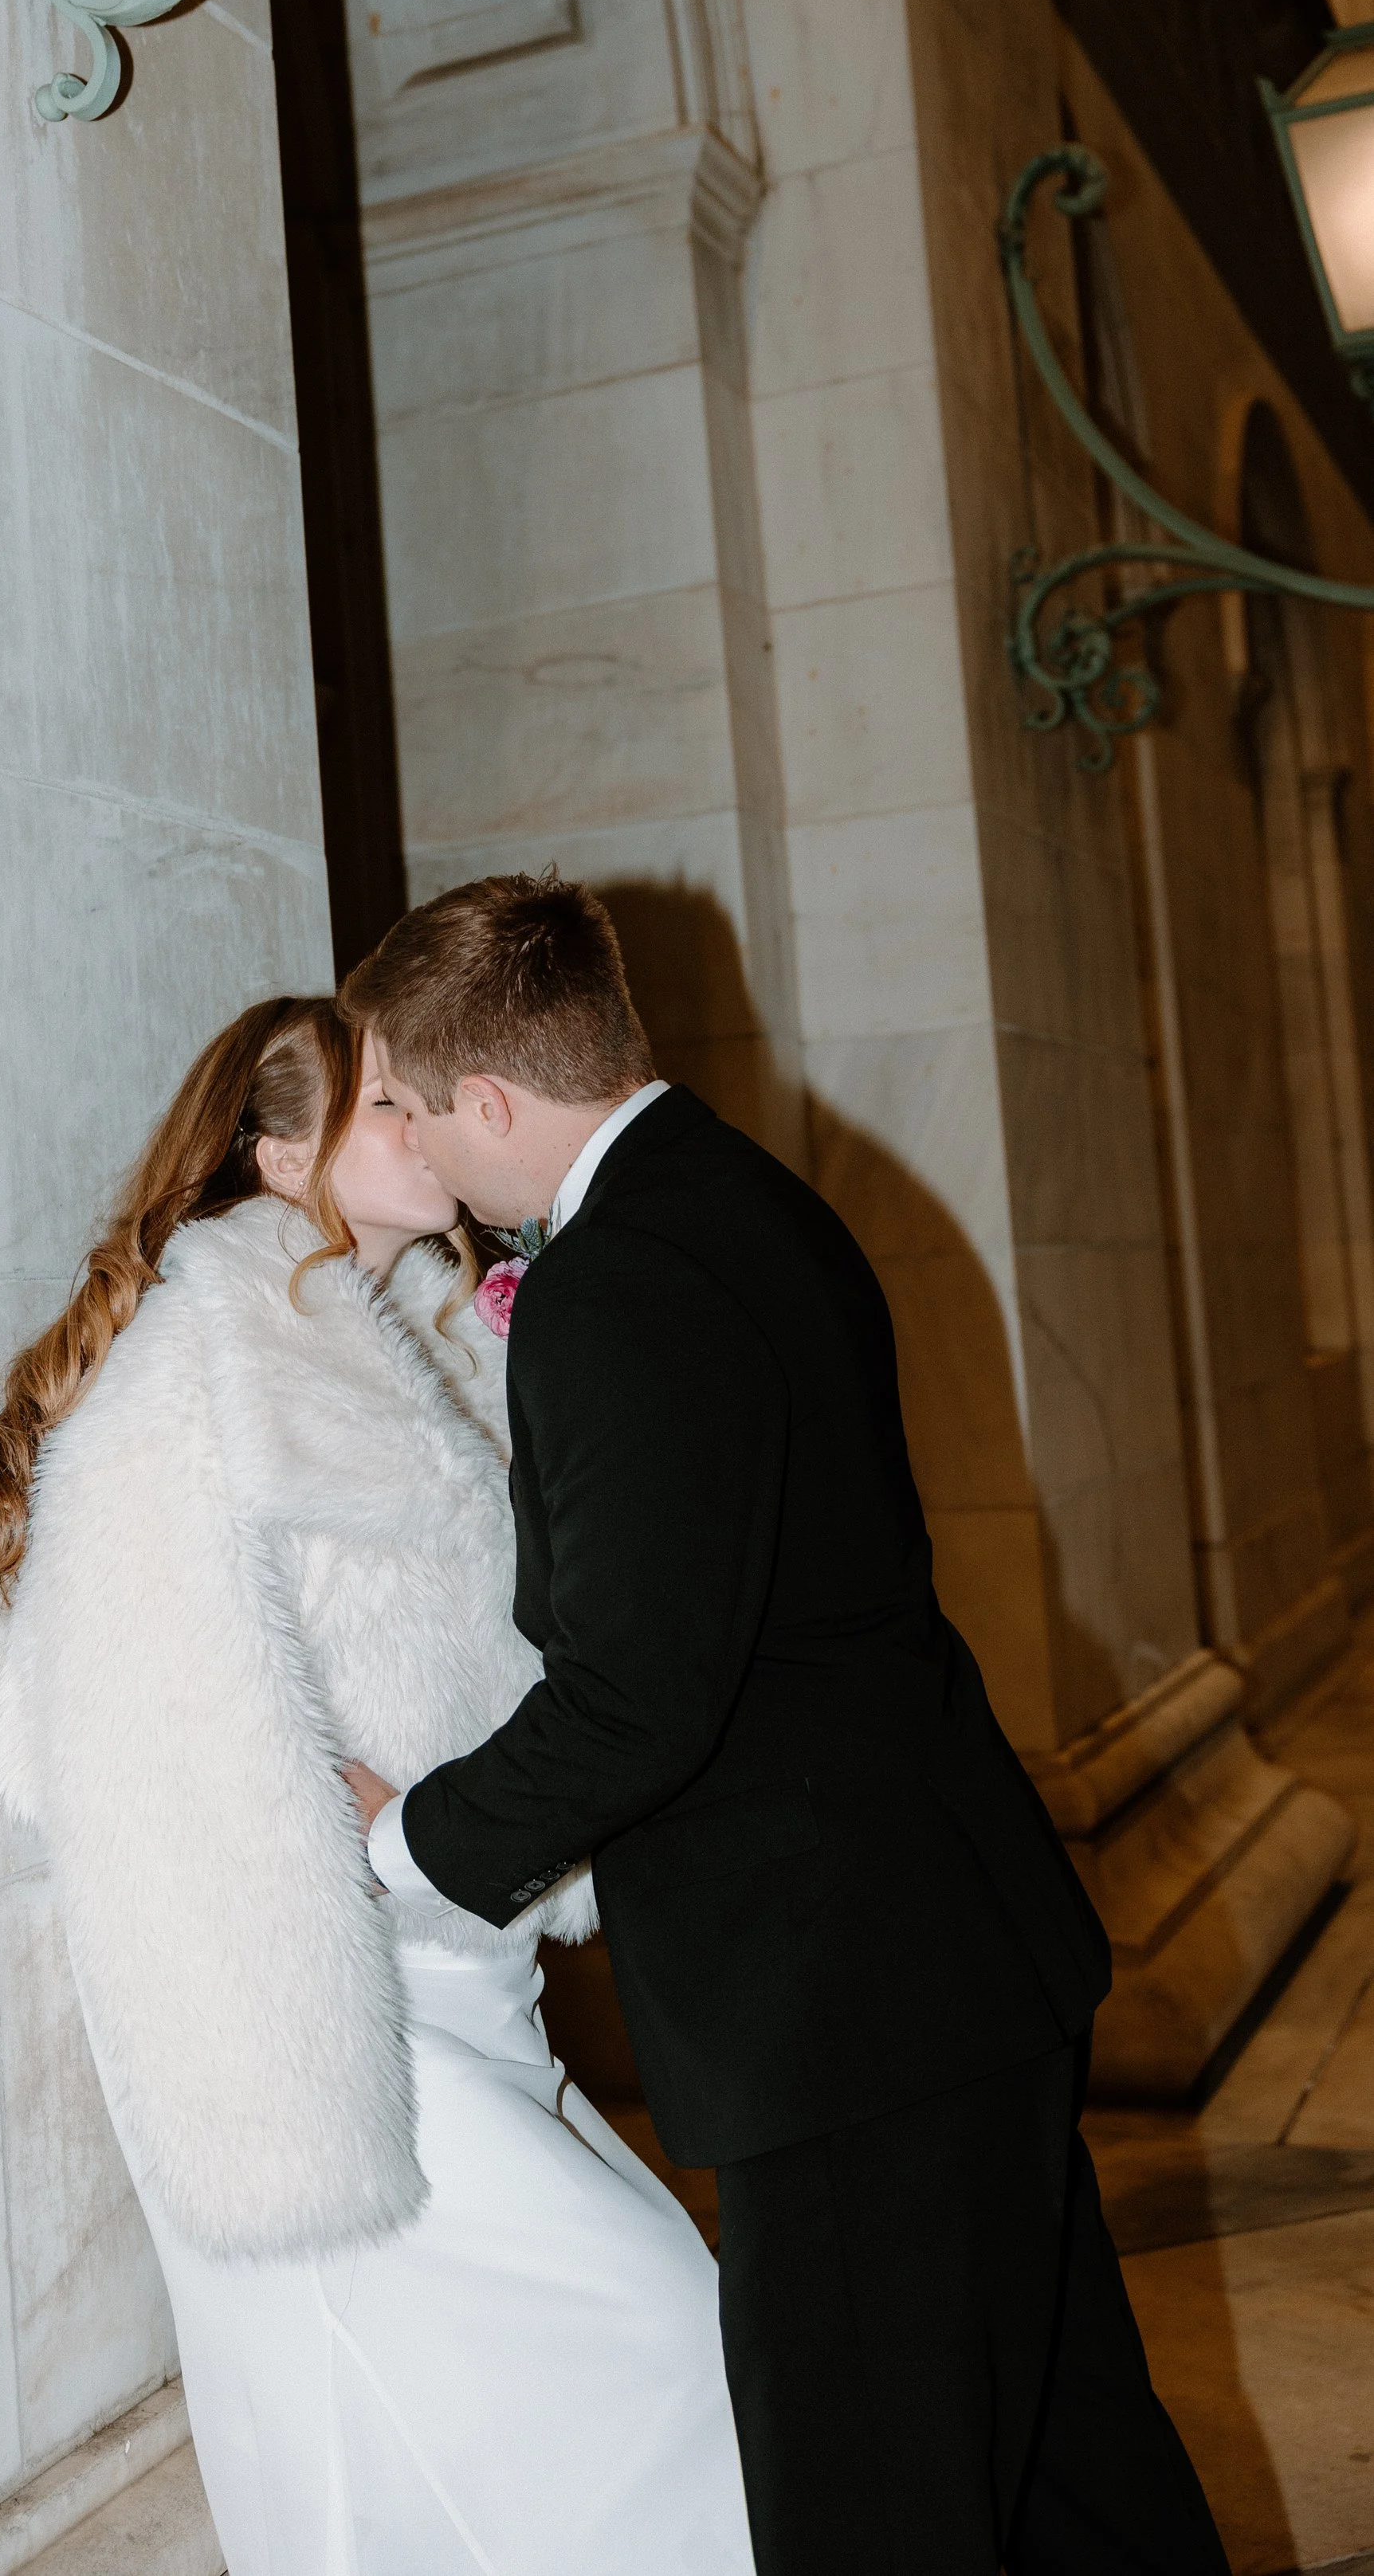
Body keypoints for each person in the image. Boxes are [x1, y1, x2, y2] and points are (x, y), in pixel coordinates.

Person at [338, 873, 1231, 2576]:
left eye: (408, 1106)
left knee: (870, 2515)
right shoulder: (745, 1193)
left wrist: (398, 1847)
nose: (412, 1148)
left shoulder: (613, 1285)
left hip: (839, 2013)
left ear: (494, 1103)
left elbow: (633, 1699)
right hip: (946, 1953)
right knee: (1062, 2469)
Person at [0, 995, 755, 2576]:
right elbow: (111, 1715)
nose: (425, 1124)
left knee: (600, 2391)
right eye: (382, 1104)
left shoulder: (419, 1341)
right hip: (332, 2014)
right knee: (655, 2349)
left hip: (470, 1976)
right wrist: (303, 1857)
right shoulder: (200, 1358)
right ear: (275, 1152)